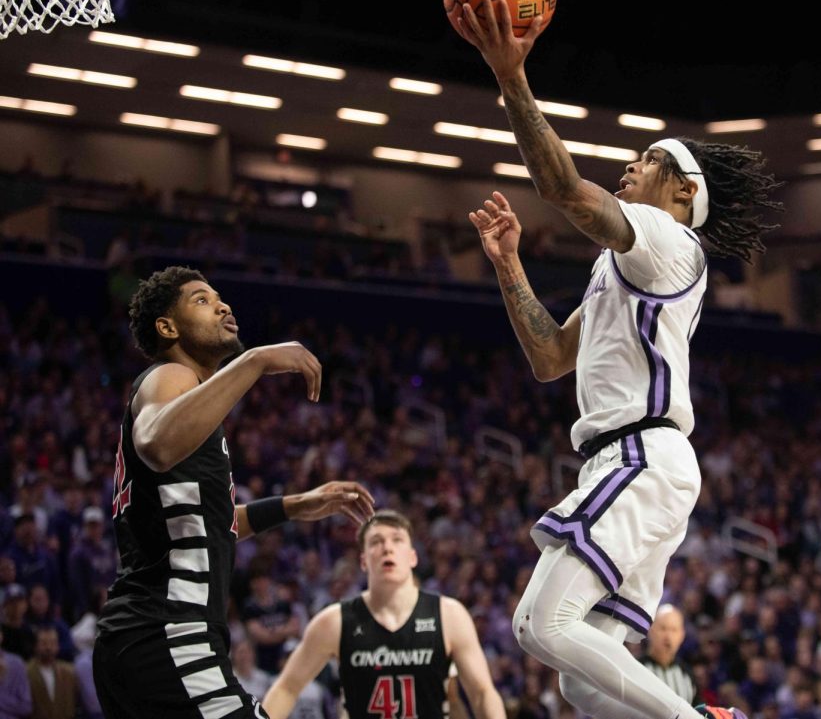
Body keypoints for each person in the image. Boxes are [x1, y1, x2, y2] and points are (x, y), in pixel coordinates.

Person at [458, 0, 782, 719]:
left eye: (647, 161)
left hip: (642, 456)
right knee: (583, 680)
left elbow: (563, 190)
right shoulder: (625, 267)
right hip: (635, 461)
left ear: (684, 191)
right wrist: (510, 264)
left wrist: (512, 78)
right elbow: (549, 357)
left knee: (540, 624)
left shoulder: (668, 243)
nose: (630, 167)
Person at [92, 266, 376, 719]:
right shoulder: (170, 375)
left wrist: (295, 505)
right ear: (167, 327)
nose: (223, 305)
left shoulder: (194, 406)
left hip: (146, 638)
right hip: (167, 631)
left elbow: (205, 525)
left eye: (220, 297)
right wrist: (256, 360)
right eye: (202, 300)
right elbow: (157, 444)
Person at [262, 510, 505, 719]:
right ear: (363, 561)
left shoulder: (449, 615)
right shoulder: (334, 621)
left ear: (412, 556)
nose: (387, 548)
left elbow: (482, 693)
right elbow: (286, 688)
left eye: (397, 540)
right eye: (376, 541)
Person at [641, 604, 697, 704]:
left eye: (674, 630)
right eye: (663, 628)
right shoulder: (637, 667)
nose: (668, 636)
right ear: (650, 629)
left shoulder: (686, 673)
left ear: (682, 635)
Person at [26, 627, 78, 719]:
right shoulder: (26, 672)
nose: (48, 647)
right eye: (44, 643)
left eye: (52, 643)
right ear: (36, 646)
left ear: (58, 646)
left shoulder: (69, 672)